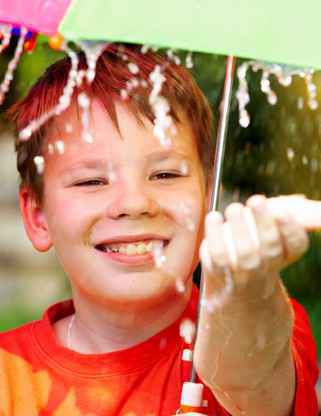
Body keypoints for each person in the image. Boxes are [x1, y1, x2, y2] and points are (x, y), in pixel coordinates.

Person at [0, 44, 319, 416]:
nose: (135, 203)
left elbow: (250, 378)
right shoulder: (8, 377)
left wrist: (245, 285)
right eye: (91, 181)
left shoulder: (258, 325)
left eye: (165, 174)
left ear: (206, 199)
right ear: (39, 218)